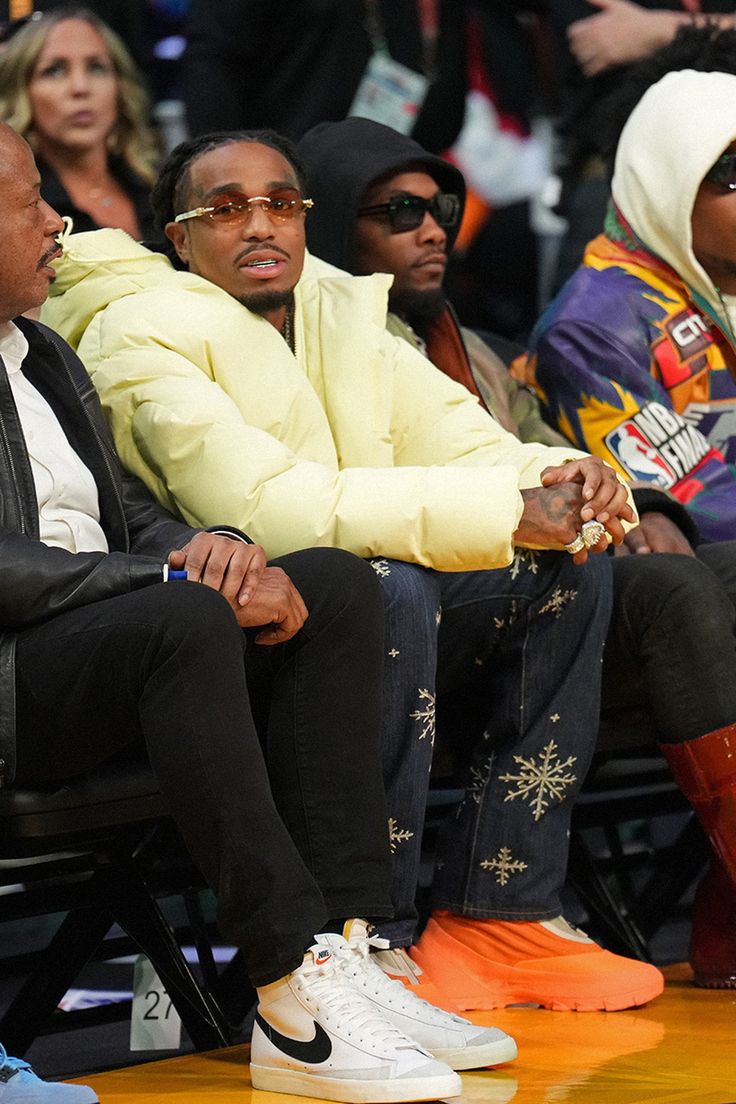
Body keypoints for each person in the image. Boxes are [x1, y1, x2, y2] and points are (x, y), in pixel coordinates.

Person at [42, 127, 667, 1016]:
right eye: (225, 208)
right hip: (248, 643)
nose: (260, 223)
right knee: (379, 583)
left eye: (281, 204)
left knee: (565, 567)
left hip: (365, 623)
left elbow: (464, 438)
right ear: (178, 238)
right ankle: (370, 935)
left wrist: (558, 480)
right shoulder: (135, 333)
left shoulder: (335, 306)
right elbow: (272, 508)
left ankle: (502, 908)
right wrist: (501, 512)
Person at [0, 117, 509, 1103]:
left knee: (326, 579)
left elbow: (125, 513)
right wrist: (168, 582)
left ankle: (346, 948)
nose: (59, 220)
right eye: (30, 206)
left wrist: (216, 551)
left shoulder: (45, 353)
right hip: (19, 682)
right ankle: (289, 1001)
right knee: (184, 618)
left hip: (100, 643)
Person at [297, 112, 736, 991]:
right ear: (337, 226)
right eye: (399, 211)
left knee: (667, 564)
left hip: (534, 602)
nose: (434, 229)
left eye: (442, 206)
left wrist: (626, 497)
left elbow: (552, 451)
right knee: (664, 587)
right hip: (424, 620)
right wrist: (533, 510)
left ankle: (690, 910)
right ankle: (440, 922)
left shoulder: (473, 348)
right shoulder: (320, 351)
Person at [513, 67, 736, 986]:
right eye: (729, 176)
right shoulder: (597, 324)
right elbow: (691, 496)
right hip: (644, 600)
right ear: (665, 188)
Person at [0, 6, 158, 239]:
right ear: (21, 91)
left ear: (120, 86)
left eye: (96, 67)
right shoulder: (9, 212)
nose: (81, 87)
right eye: (54, 71)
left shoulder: (162, 191)